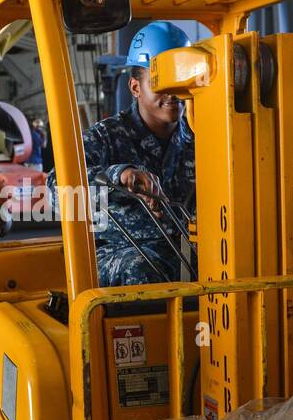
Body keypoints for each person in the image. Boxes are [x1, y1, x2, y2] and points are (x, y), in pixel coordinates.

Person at [51, 22, 196, 286]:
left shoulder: (199, 137)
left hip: (186, 251)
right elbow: (57, 189)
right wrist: (120, 175)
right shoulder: (106, 136)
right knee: (142, 271)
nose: (174, 94)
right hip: (122, 254)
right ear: (135, 88)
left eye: (181, 82)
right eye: (161, 83)